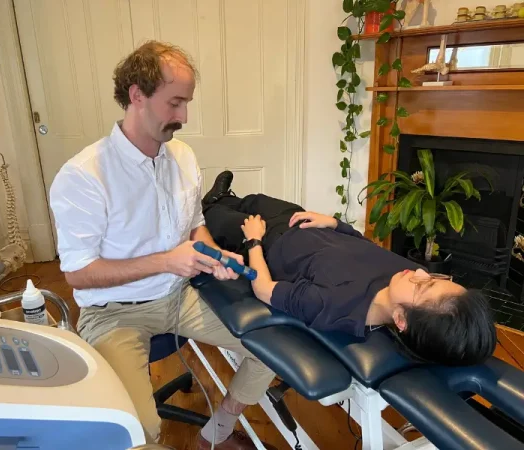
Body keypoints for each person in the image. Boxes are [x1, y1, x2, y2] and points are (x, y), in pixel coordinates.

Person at [49, 41, 278, 450]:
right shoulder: (83, 176)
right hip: (113, 312)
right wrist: (168, 262)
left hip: (181, 296)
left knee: (274, 349)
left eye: (186, 103)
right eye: (175, 103)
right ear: (137, 95)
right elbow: (78, 272)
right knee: (136, 432)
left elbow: (194, 224)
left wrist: (212, 254)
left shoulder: (183, 156)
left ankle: (216, 432)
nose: (184, 116)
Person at [201, 170, 498, 367]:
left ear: (400, 320)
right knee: (254, 200)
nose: (420, 273)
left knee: (214, 218)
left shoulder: (335, 306)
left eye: (423, 286)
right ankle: (227, 198)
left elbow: (264, 289)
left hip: (268, 242)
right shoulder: (404, 278)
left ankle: (212, 203)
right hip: (304, 224)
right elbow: (365, 250)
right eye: (433, 277)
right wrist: (335, 224)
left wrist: (253, 241)